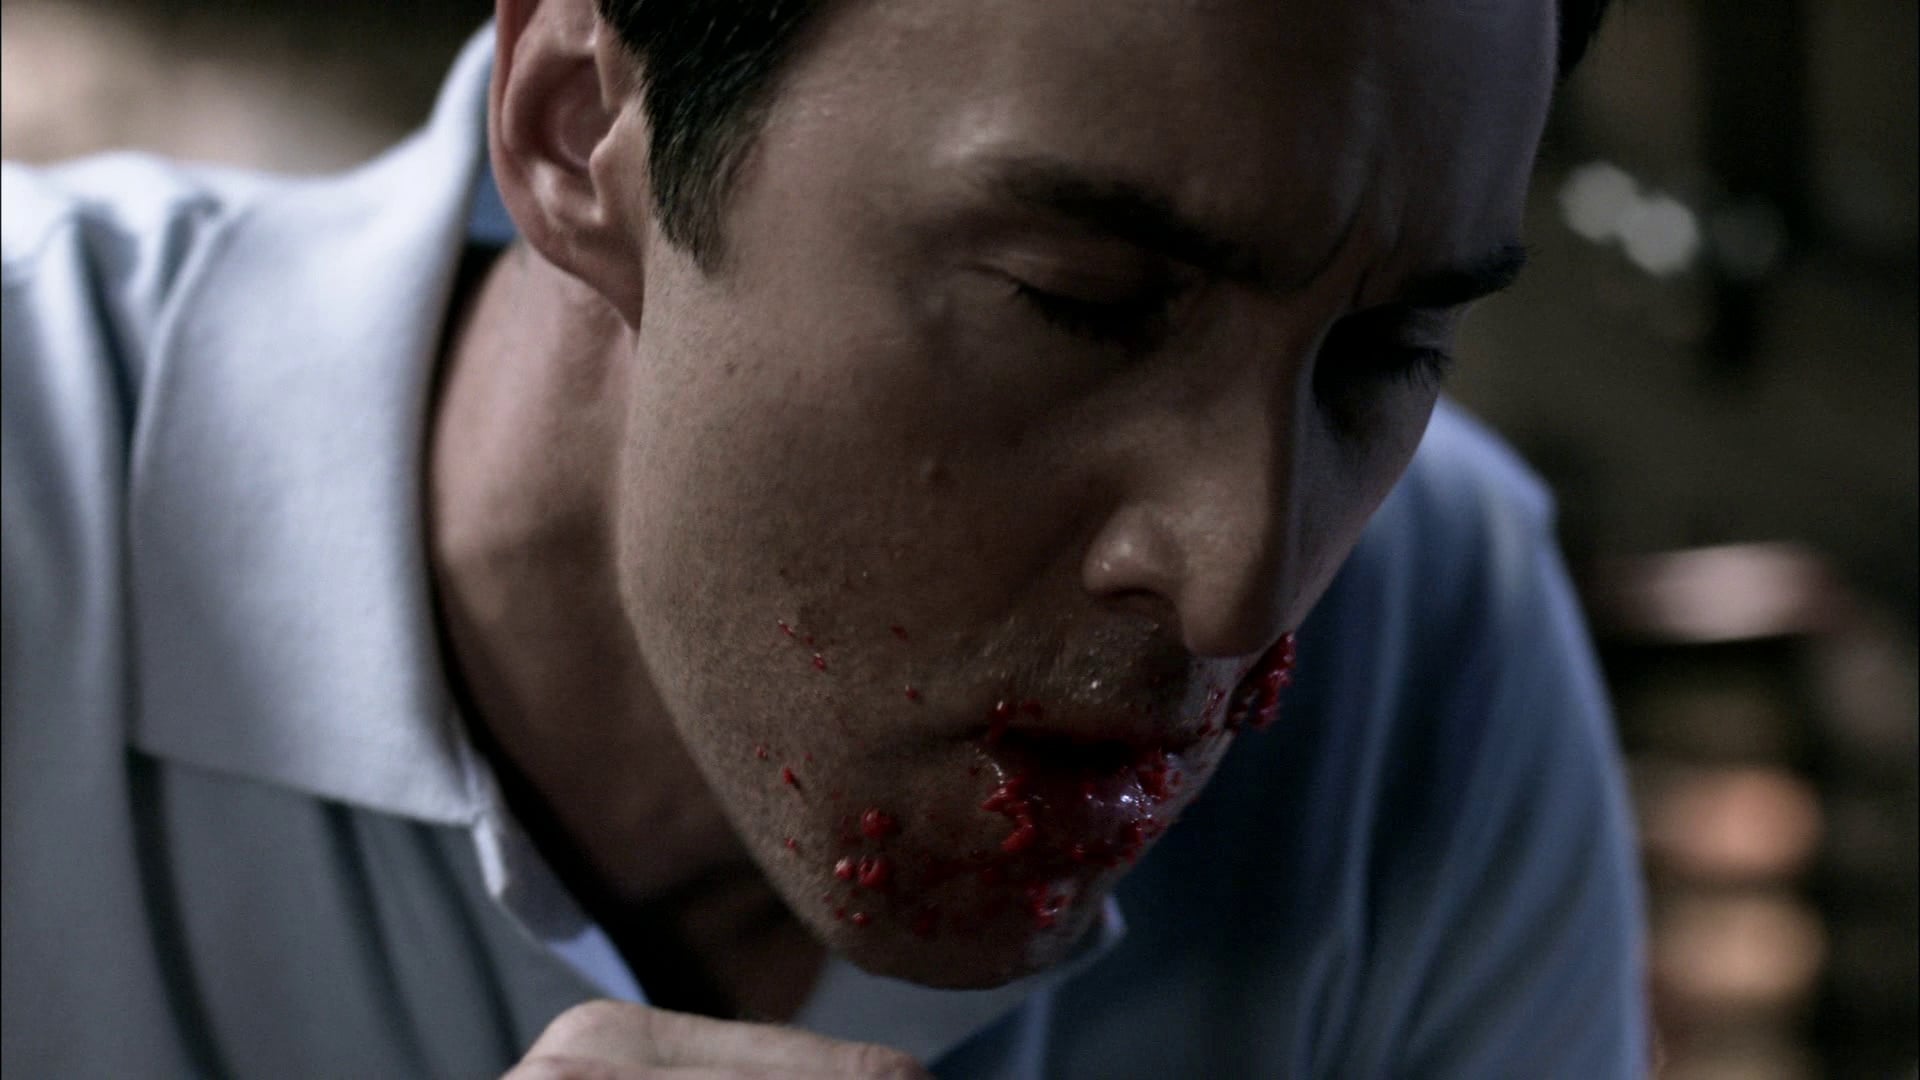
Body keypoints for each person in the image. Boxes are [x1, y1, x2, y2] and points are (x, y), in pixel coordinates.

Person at [1, 0, 1647, 1075]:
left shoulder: (1442, 638)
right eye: (1079, 305)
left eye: (1385, 354)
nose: (1240, 588)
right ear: (580, 131)